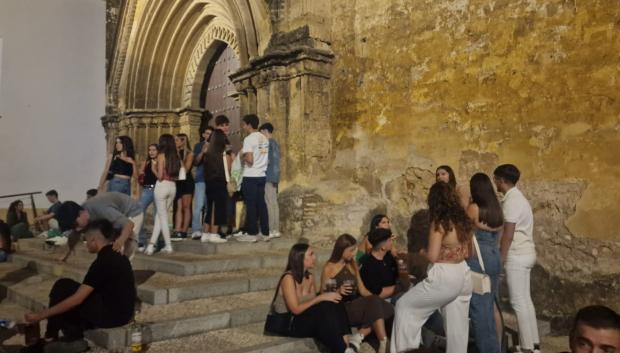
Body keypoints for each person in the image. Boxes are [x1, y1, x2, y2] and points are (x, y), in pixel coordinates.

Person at [24, 220, 136, 353]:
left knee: (63, 287)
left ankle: (54, 337)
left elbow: (77, 299)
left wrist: (39, 316)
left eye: (86, 240)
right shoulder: (119, 256)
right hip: (123, 313)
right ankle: (71, 335)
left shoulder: (103, 262)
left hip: (112, 318)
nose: (85, 244)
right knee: (68, 288)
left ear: (94, 240)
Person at [391, 181, 473, 353]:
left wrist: (420, 253)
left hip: (445, 276)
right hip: (463, 274)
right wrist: (451, 253)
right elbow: (468, 253)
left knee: (404, 307)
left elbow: (432, 257)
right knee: (457, 325)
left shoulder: (440, 223)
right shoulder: (463, 220)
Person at [273, 243, 356, 353]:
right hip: (288, 323)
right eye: (311, 254)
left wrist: (327, 297)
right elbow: (295, 309)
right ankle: (343, 348)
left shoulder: (310, 276)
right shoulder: (288, 278)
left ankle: (345, 345)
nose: (314, 257)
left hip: (303, 318)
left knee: (334, 300)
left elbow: (314, 304)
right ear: (300, 258)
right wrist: (321, 297)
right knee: (325, 308)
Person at [494, 164, 540, 353]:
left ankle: (527, 347)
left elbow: (508, 233)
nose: (495, 182)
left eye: (495, 179)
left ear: (502, 180)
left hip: (517, 254)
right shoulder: (519, 198)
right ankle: (534, 343)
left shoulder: (512, 201)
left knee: (518, 302)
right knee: (525, 300)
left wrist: (501, 258)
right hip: (527, 252)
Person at [321, 234, 394, 353]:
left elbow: (363, 290)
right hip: (341, 309)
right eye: (351, 250)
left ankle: (359, 335)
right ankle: (383, 343)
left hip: (356, 304)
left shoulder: (352, 264)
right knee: (376, 304)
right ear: (341, 250)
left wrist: (376, 299)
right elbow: (324, 295)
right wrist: (338, 291)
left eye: (354, 250)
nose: (354, 253)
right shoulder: (329, 267)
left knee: (389, 308)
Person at [466, 173, 504, 353]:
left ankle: (487, 349)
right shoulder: (497, 208)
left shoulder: (473, 208)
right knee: (490, 305)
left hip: (478, 258)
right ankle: (495, 347)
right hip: (494, 256)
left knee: (479, 308)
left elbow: (464, 234)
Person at [56, 192, 144, 261]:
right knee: (110, 245)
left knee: (128, 243)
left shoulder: (101, 209)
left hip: (132, 212)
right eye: (73, 227)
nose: (77, 229)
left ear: (80, 213)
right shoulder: (80, 218)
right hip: (115, 216)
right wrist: (67, 254)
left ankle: (126, 269)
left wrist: (120, 241)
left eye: (76, 225)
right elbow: (74, 234)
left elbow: (129, 224)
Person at [144, 134, 181, 255]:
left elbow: (159, 176)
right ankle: (151, 246)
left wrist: (153, 168)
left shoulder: (161, 156)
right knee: (160, 218)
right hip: (173, 187)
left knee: (162, 218)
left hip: (162, 186)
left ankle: (168, 245)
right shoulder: (176, 156)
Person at [237, 114, 269, 242]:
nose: (243, 127)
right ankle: (265, 233)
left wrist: (241, 156)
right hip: (261, 175)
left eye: (244, 124)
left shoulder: (249, 139)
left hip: (251, 175)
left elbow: (249, 160)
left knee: (250, 205)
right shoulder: (264, 138)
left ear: (249, 125)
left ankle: (252, 233)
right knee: (261, 204)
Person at [200, 129, 229, 243]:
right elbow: (229, 168)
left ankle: (205, 233)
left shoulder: (208, 153)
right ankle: (214, 233)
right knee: (219, 207)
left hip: (209, 182)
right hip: (220, 181)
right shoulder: (223, 154)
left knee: (210, 207)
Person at [359, 228, 400, 302]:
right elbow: (379, 293)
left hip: (394, 295)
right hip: (381, 302)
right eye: (390, 240)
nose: (392, 242)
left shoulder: (388, 257)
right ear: (383, 247)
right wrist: (400, 287)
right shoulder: (369, 265)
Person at [191, 125, 214, 239]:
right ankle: (196, 230)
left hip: (212, 179)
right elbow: (195, 162)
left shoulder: (215, 146)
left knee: (209, 207)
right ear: (203, 135)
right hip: (201, 179)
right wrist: (203, 152)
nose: (209, 135)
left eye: (211, 133)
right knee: (199, 205)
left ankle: (206, 230)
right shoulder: (198, 146)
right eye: (207, 133)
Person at [259, 123, 281, 238]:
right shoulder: (276, 143)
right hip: (275, 176)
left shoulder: (267, 143)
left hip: (267, 176)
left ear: (265, 131)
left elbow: (265, 161)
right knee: (274, 203)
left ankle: (271, 229)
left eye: (261, 132)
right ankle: (275, 229)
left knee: (269, 202)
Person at [172, 133, 194, 240]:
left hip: (186, 182)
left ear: (183, 141)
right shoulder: (173, 154)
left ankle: (184, 230)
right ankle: (177, 230)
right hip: (177, 182)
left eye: (176, 140)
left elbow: (186, 170)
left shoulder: (190, 154)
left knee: (186, 206)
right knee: (178, 207)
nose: (175, 142)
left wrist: (179, 158)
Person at [136, 143, 159, 249]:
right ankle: (141, 239)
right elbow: (140, 178)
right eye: (150, 150)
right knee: (139, 211)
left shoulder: (161, 162)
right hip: (147, 189)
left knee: (157, 216)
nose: (151, 152)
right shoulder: (146, 162)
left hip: (158, 189)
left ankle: (156, 241)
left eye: (154, 150)